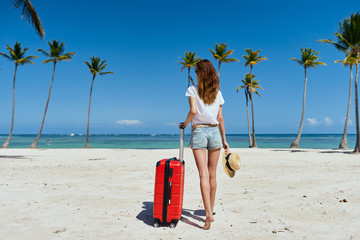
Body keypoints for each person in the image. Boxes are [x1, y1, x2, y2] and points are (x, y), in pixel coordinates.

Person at [179, 59, 229, 230]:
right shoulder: (217, 92)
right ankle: (211, 211)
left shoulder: (192, 90)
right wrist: (224, 140)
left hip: (199, 132)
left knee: (203, 175)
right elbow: (220, 118)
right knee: (213, 175)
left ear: (200, 72)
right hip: (215, 132)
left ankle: (207, 214)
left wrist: (184, 124)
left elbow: (193, 111)